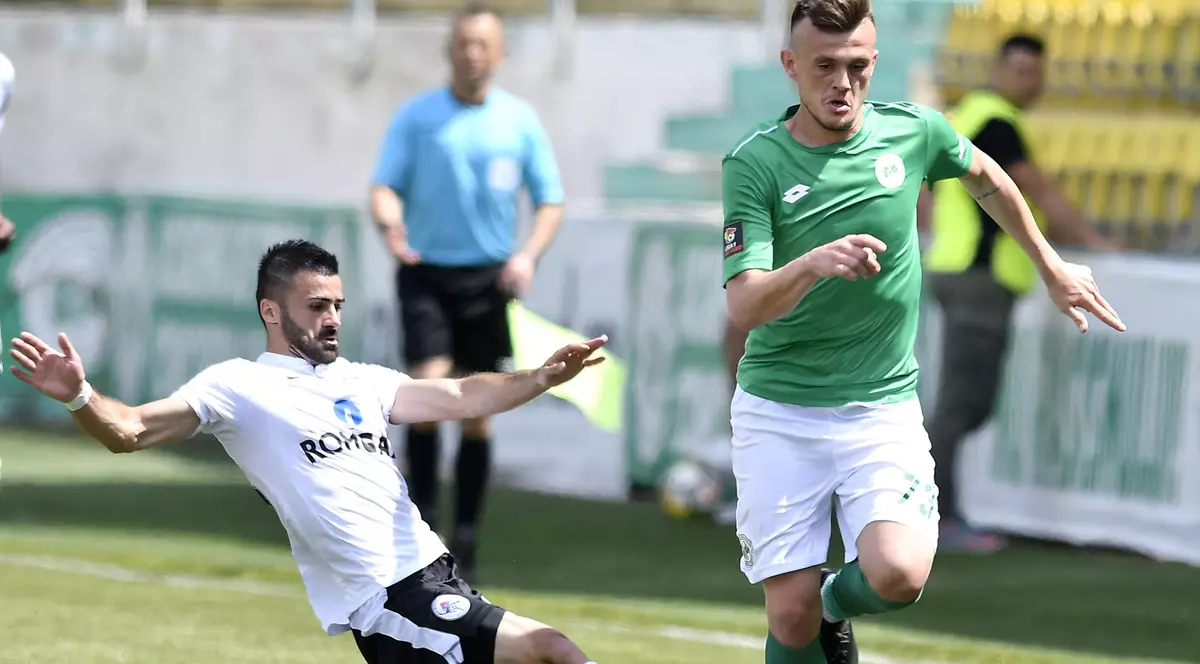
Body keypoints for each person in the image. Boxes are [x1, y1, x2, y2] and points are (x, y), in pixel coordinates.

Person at [720, 2, 1126, 663]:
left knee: (898, 575)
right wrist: (813, 263)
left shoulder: (914, 132)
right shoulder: (756, 163)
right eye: (824, 67)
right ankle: (809, 610)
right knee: (786, 618)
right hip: (780, 410)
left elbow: (988, 177)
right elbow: (745, 306)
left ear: (875, 62)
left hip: (880, 407)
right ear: (791, 66)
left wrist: (1050, 266)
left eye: (857, 67)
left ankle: (831, 602)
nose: (842, 84)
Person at [7, 240, 603, 664]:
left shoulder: (361, 380)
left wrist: (542, 378)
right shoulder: (237, 385)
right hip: (390, 599)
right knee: (553, 650)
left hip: (436, 576)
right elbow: (130, 430)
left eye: (338, 305)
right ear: (271, 310)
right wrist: (80, 395)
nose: (333, 319)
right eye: (317, 306)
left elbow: (464, 394)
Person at [368, 2, 565, 583]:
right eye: (462, 43)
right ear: (449, 50)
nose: (472, 53)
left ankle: (468, 535)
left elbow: (550, 199)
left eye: (483, 44)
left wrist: (527, 254)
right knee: (428, 398)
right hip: (427, 273)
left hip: (489, 281)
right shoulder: (418, 117)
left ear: (499, 53)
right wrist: (390, 224)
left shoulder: (519, 122)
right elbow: (383, 187)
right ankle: (423, 529)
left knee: (478, 414)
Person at [922, 34, 1120, 553]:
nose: (1029, 81)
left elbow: (927, 191)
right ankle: (930, 517)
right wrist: (1097, 244)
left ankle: (920, 511)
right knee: (960, 405)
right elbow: (1040, 192)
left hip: (956, 267)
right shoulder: (996, 123)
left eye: (1036, 71)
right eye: (1021, 69)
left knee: (961, 404)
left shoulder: (966, 113)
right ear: (998, 68)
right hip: (979, 276)